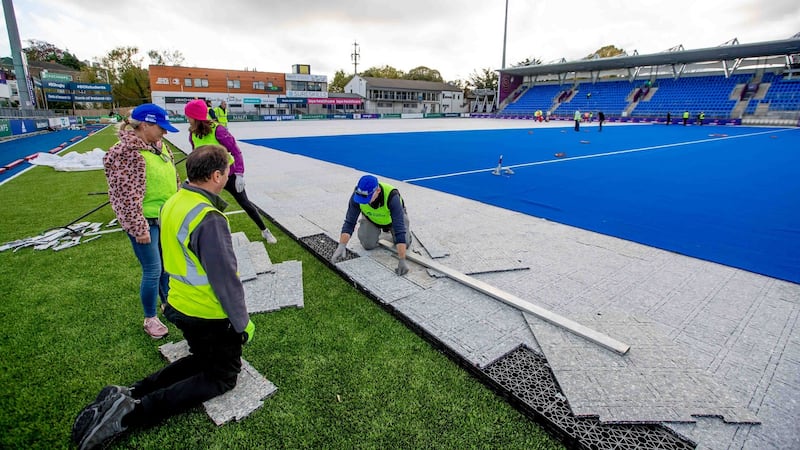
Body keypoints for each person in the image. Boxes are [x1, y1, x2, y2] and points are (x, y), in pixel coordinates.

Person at [71, 144, 256, 450]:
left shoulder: (175, 201)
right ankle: (134, 413)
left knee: (201, 360)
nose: (228, 176)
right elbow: (225, 281)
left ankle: (131, 391)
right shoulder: (209, 218)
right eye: (226, 171)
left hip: (179, 305)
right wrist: (241, 322)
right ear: (216, 176)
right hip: (207, 313)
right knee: (222, 377)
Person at [103, 104, 180, 339]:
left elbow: (172, 178)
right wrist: (139, 227)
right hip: (145, 222)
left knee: (167, 267)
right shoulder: (124, 153)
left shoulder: (158, 146)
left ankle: (168, 305)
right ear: (145, 125)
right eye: (161, 128)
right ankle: (150, 318)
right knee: (153, 269)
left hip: (164, 216)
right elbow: (125, 196)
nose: (164, 133)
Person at [183, 99, 278, 243]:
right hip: (208, 177)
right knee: (205, 207)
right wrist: (192, 177)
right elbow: (196, 155)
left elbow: (236, 151)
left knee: (245, 203)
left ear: (195, 117)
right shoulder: (193, 134)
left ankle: (265, 230)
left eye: (189, 116)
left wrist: (239, 173)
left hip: (229, 174)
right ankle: (206, 237)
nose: (187, 119)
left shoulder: (218, 130)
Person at [331, 174, 411, 276]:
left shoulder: (392, 196)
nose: (364, 201)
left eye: (367, 197)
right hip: (372, 218)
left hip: (393, 220)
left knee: (405, 242)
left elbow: (399, 228)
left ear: (377, 191)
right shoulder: (357, 195)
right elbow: (349, 222)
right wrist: (342, 246)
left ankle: (402, 231)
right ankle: (374, 230)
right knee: (368, 244)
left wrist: (402, 259)